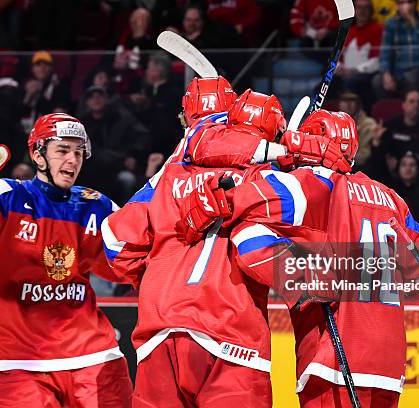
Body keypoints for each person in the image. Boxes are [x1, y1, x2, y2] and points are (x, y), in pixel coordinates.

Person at [179, 109, 419, 407]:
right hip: (387, 367)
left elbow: (244, 227)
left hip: (333, 361)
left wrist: (298, 271)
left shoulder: (310, 186)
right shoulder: (390, 200)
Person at [102, 89, 287, 407]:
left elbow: (114, 240)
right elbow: (259, 253)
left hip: (160, 331)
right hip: (231, 333)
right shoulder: (268, 180)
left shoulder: (171, 174)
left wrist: (159, 273)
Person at [0, 113, 133, 407]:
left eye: (79, 152)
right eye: (63, 150)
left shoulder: (97, 205)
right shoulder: (6, 196)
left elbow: (130, 263)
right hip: (17, 364)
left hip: (92, 357)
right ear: (37, 155)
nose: (73, 160)